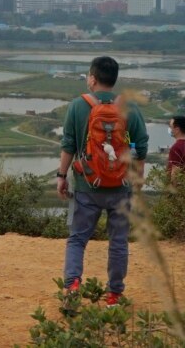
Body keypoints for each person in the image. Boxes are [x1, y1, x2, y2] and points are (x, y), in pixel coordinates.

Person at [56, 56, 148, 308]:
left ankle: (72, 288)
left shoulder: (78, 106)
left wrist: (62, 176)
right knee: (118, 242)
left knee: (77, 239)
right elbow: (140, 146)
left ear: (93, 78)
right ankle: (114, 296)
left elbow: (68, 146)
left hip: (87, 186)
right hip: (122, 186)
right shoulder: (128, 108)